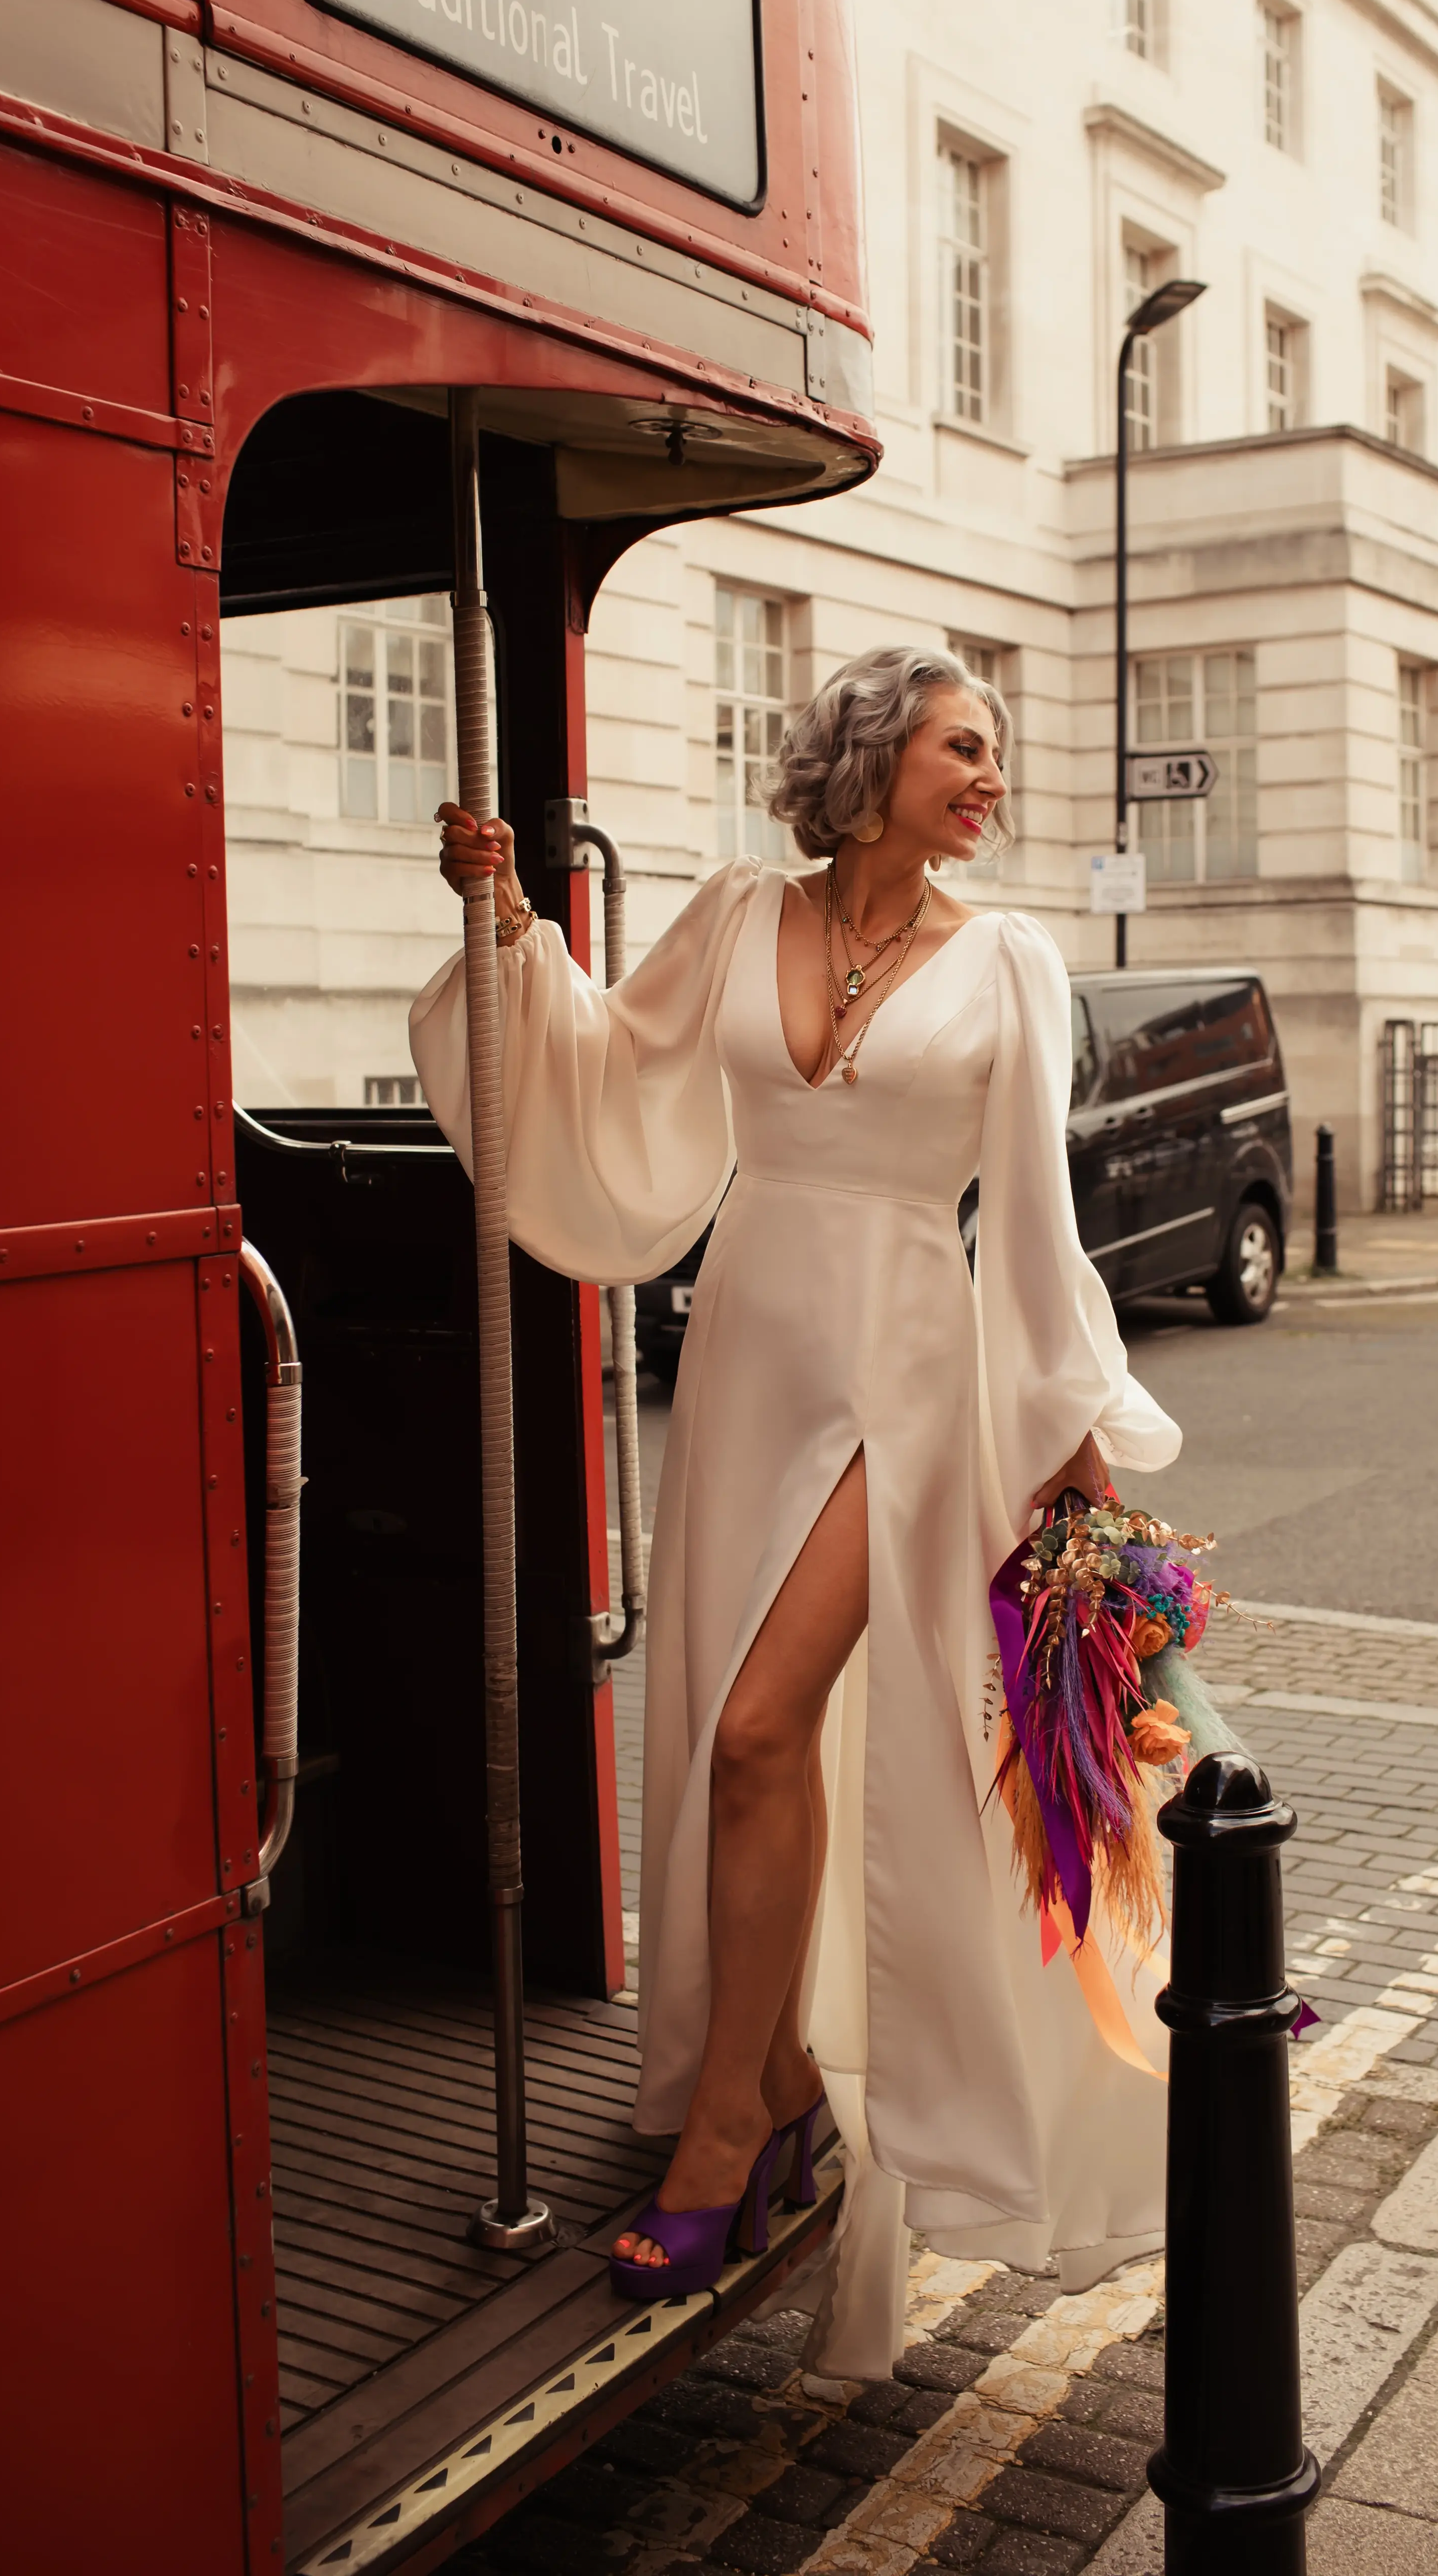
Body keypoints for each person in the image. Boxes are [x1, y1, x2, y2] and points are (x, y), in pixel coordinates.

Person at [415, 644, 1181, 2379]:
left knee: (762, 1730)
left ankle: (734, 2138)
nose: (992, 779)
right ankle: (758, 2080)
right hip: (756, 1354)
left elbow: (1037, 1224)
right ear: (874, 758)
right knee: (729, 1734)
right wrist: (514, 930)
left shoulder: (1010, 958)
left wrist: (1079, 1455)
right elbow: (610, 1069)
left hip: (912, 1377)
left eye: (997, 756)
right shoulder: (740, 909)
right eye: (963, 747)